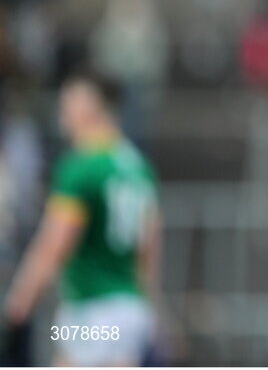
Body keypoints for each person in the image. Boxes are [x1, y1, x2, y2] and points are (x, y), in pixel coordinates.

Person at [2, 74, 161, 366]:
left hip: (93, 310)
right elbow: (149, 247)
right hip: (130, 308)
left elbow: (54, 244)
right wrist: (151, 308)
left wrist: (21, 300)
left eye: (68, 102)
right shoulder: (138, 166)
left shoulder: (81, 168)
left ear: (91, 107)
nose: (62, 111)